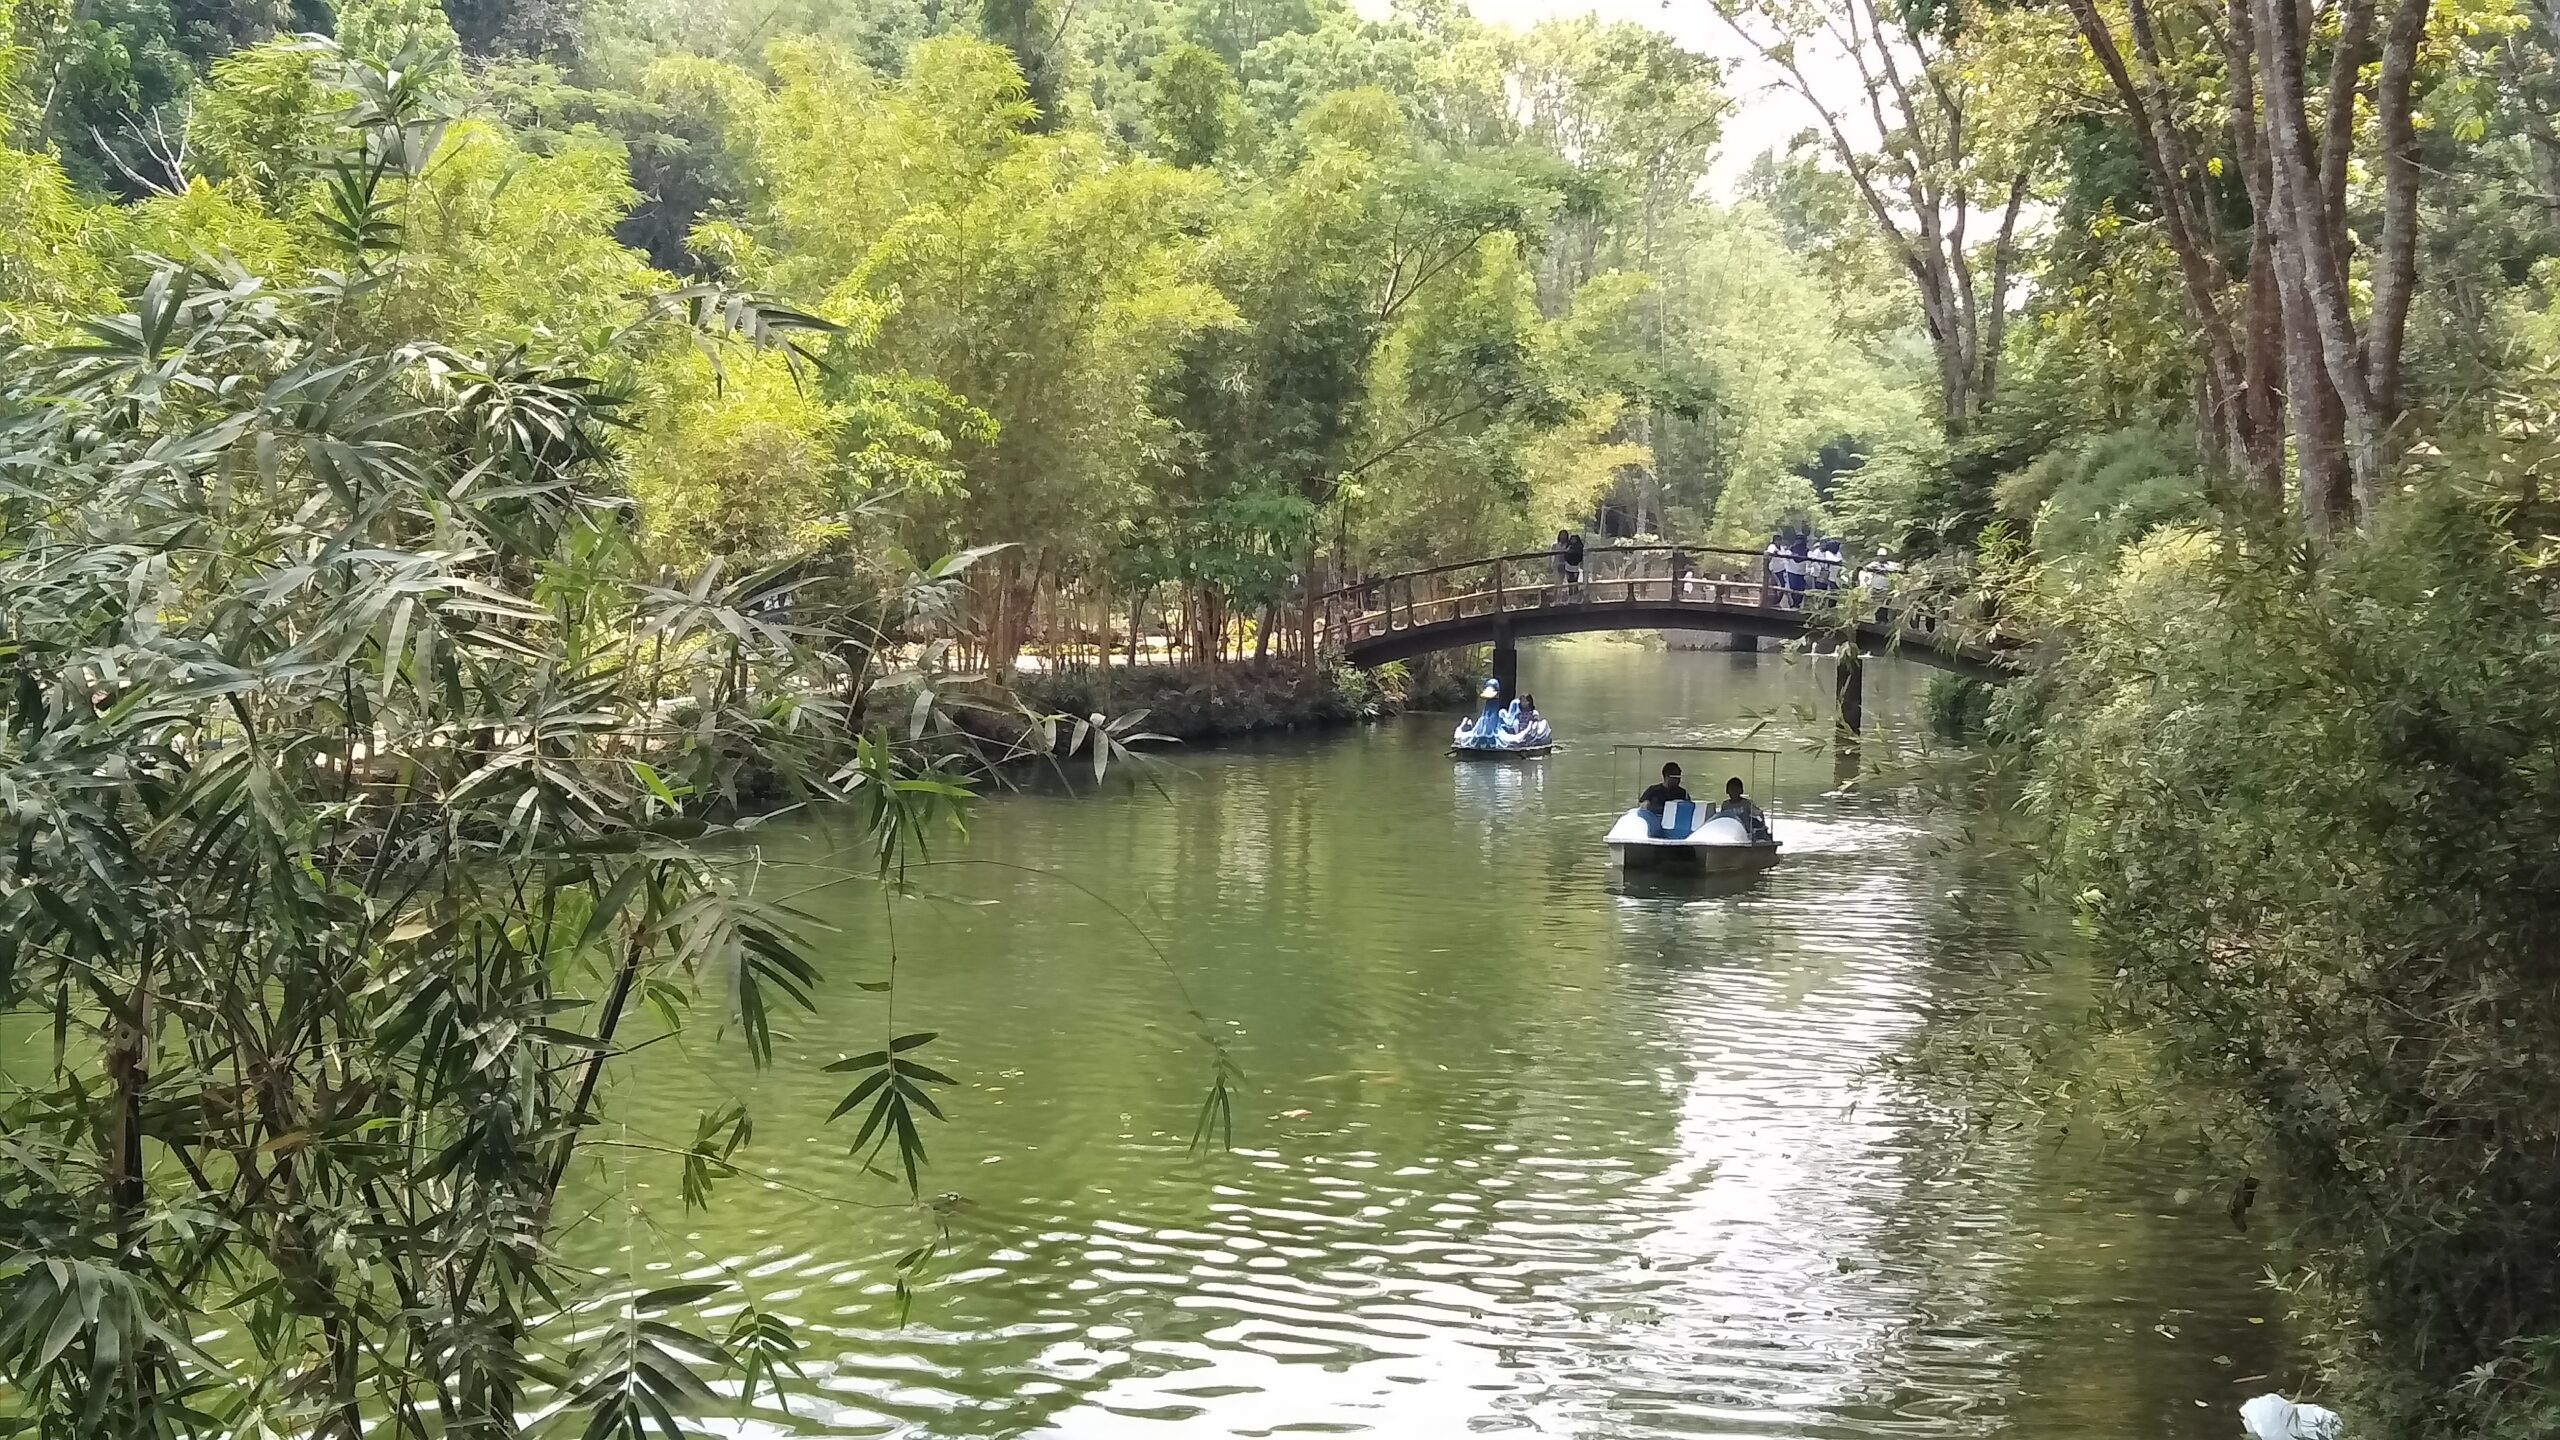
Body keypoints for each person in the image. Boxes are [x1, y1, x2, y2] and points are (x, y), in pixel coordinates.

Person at [1715, 776, 1770, 841]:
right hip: (1730, 833)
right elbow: (1722, 819)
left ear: (1740, 791)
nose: (1733, 792)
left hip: (1745, 833)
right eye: (1731, 790)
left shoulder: (1746, 803)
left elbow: (1759, 813)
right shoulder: (1725, 804)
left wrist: (1763, 825)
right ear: (1727, 791)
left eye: (1736, 790)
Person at [1859, 547, 1898, 624]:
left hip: (1885, 587)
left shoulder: (1890, 565)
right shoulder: (1873, 565)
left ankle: (1883, 620)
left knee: (1884, 605)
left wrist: (1884, 570)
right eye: (1880, 556)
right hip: (1875, 587)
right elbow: (1865, 568)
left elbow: (1895, 570)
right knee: (1876, 604)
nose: (1881, 557)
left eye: (1883, 556)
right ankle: (1878, 620)